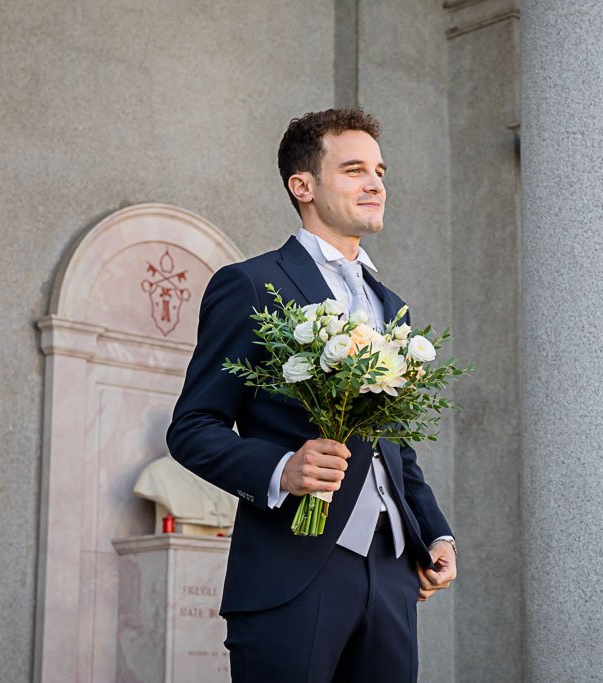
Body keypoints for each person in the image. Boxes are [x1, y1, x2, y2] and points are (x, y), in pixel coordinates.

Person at [166, 108, 456, 682]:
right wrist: (283, 469)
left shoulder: (390, 305)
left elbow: (391, 445)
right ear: (303, 186)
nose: (375, 183)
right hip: (291, 573)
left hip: (393, 573)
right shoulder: (251, 284)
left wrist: (434, 532)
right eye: (353, 169)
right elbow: (193, 426)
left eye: (379, 171)